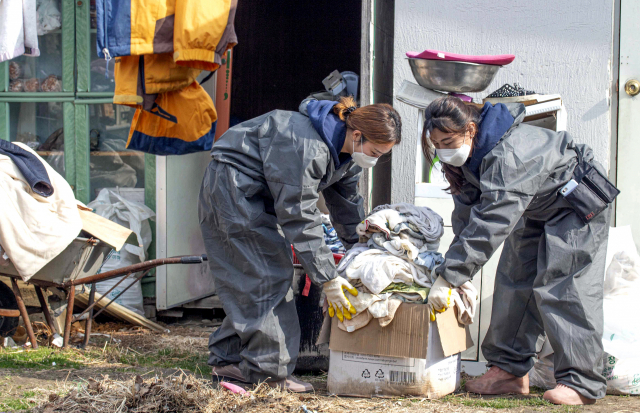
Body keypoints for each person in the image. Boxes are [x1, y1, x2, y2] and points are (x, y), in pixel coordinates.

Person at [198, 96, 402, 392]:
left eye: (383, 155)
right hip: (232, 189)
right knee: (266, 275)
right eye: (375, 151)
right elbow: (300, 215)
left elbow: (346, 205)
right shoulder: (309, 146)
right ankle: (268, 373)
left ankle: (229, 361)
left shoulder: (347, 155)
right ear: (358, 136)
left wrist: (362, 246)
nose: (375, 159)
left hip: (255, 192)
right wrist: (328, 278)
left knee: (253, 277)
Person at [423, 96, 613, 406]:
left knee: (563, 285)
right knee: (514, 279)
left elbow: (492, 221)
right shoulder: (469, 156)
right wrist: (460, 273)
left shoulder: (509, 154)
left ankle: (582, 381)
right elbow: (468, 216)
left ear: (470, 129)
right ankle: (509, 371)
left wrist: (451, 275)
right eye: (436, 144)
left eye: (448, 141)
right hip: (538, 204)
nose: (443, 149)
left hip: (577, 201)